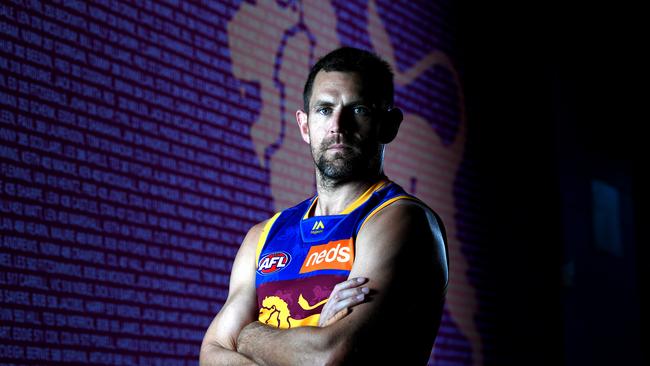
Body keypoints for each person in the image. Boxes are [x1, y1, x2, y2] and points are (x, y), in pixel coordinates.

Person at [200, 47, 448, 365]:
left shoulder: (404, 221)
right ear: (304, 126)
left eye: (358, 110)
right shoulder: (262, 237)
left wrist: (247, 335)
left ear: (389, 124)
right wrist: (317, 332)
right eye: (324, 109)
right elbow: (210, 355)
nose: (337, 126)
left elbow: (330, 355)